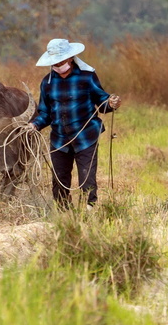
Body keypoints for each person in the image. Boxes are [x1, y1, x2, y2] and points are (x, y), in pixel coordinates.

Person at [28, 38, 121, 210]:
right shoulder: (47, 82)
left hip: (85, 136)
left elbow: (102, 100)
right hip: (59, 139)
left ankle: (89, 211)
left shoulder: (87, 77)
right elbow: (45, 112)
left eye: (61, 61)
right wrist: (34, 125)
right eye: (54, 62)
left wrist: (111, 103)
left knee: (87, 178)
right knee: (59, 181)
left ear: (70, 58)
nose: (58, 65)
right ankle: (65, 216)